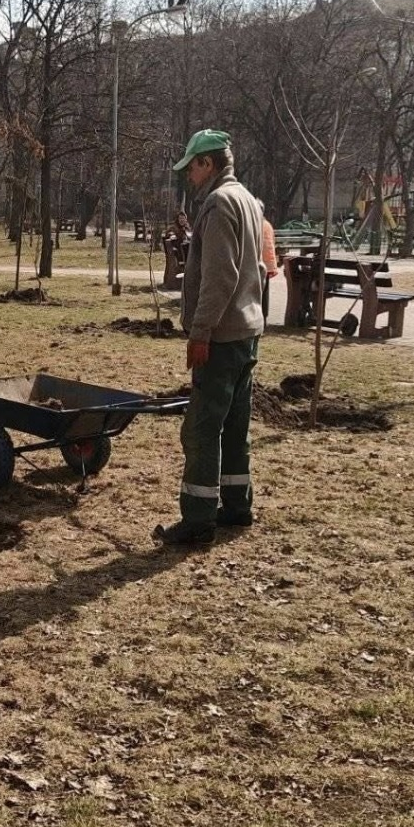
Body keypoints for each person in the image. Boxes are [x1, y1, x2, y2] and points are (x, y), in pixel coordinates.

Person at [154, 130, 265, 547]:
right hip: (246, 331)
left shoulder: (219, 204)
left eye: (192, 169)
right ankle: (237, 507)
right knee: (235, 427)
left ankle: (198, 520)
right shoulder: (248, 200)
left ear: (208, 164)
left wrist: (200, 332)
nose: (190, 178)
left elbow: (221, 276)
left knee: (201, 430)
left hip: (220, 336)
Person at [258, 200, 278, 321]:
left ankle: (260, 317)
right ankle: (264, 317)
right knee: (264, 292)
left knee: (258, 292)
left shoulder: (256, 224)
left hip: (260, 263)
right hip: (269, 263)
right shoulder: (268, 224)